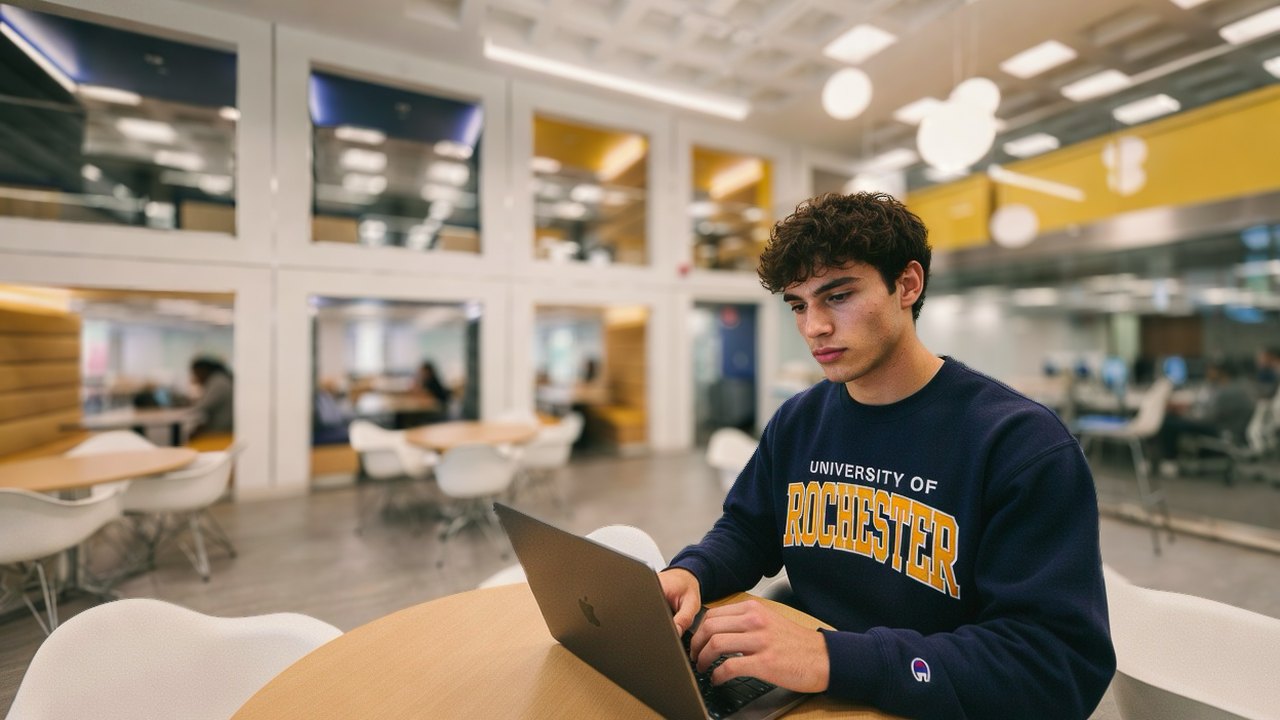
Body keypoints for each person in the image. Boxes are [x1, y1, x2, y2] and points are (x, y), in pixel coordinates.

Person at [659, 192, 1115, 719]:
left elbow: (1054, 666)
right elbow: (749, 528)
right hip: (816, 693)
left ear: (907, 285)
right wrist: (693, 572)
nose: (814, 328)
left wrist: (837, 657)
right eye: (800, 305)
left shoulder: (1021, 444)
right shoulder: (800, 419)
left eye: (838, 296)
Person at [1155, 358, 1256, 474]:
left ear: (1221, 372)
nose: (1207, 372)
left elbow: (1206, 418)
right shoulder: (1235, 386)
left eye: (1211, 370)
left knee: (1169, 423)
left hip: (1222, 431)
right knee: (1173, 420)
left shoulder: (1228, 392)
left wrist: (1184, 415)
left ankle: (1169, 462)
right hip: (1224, 426)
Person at [189, 356, 234, 436]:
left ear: (203, 370)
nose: (195, 377)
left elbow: (203, 406)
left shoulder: (218, 382)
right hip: (223, 427)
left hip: (221, 431)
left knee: (191, 434)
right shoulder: (219, 379)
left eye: (195, 373)